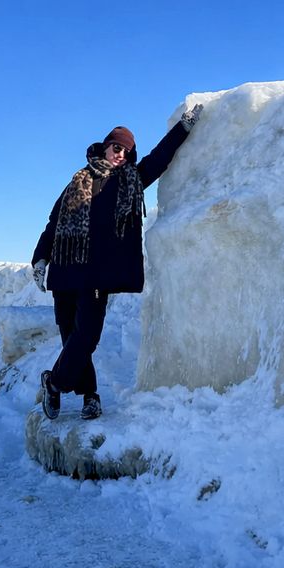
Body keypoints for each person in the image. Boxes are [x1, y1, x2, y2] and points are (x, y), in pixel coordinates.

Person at [32, 104, 203, 421]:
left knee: (87, 337)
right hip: (65, 273)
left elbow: (159, 158)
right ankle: (90, 396)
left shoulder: (131, 181)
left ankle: (53, 383)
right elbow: (53, 224)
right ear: (104, 147)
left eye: (126, 152)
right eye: (116, 148)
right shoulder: (76, 183)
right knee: (71, 338)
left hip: (97, 275)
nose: (120, 155)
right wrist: (40, 258)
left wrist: (184, 127)